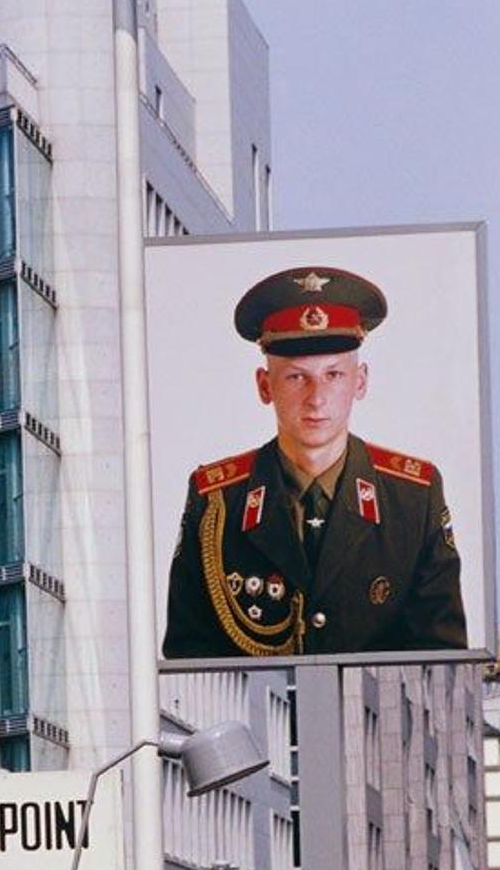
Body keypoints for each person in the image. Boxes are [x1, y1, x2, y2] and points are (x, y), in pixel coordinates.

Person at [162, 265, 468, 659]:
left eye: (334, 375)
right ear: (263, 385)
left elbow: (441, 661)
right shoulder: (217, 500)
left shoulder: (412, 496)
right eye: (295, 377)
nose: (316, 398)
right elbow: (189, 659)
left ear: (360, 382)